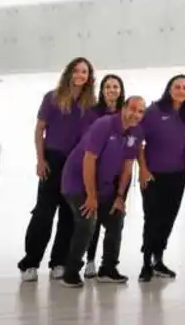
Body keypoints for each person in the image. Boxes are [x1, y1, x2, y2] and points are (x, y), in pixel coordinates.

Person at [18, 57, 97, 282]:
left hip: (77, 164)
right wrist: (40, 160)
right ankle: (30, 263)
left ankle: (59, 262)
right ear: (69, 73)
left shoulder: (91, 104)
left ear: (89, 77)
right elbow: (39, 130)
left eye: (85, 72)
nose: (80, 75)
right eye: (77, 71)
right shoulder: (52, 98)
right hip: (53, 160)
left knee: (68, 215)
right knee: (43, 213)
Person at [59, 96, 146, 287]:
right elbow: (89, 160)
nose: (136, 114)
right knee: (88, 221)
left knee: (116, 216)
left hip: (104, 185)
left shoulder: (136, 132)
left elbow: (127, 167)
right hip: (76, 182)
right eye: (132, 109)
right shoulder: (104, 125)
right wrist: (90, 196)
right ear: (123, 108)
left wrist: (120, 197)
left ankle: (108, 269)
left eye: (141, 111)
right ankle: (71, 271)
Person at [136, 74, 185, 282]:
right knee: (152, 218)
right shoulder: (153, 111)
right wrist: (142, 169)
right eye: (177, 86)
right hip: (153, 175)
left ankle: (158, 260)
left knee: (168, 218)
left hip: (177, 175)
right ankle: (146, 263)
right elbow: (139, 143)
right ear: (169, 89)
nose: (181, 90)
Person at [82, 74, 125, 279]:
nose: (112, 90)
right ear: (102, 91)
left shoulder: (126, 112)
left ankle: (108, 264)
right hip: (94, 171)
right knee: (93, 219)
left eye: (115, 86)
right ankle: (88, 260)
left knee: (115, 218)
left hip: (116, 173)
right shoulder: (93, 113)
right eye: (108, 86)